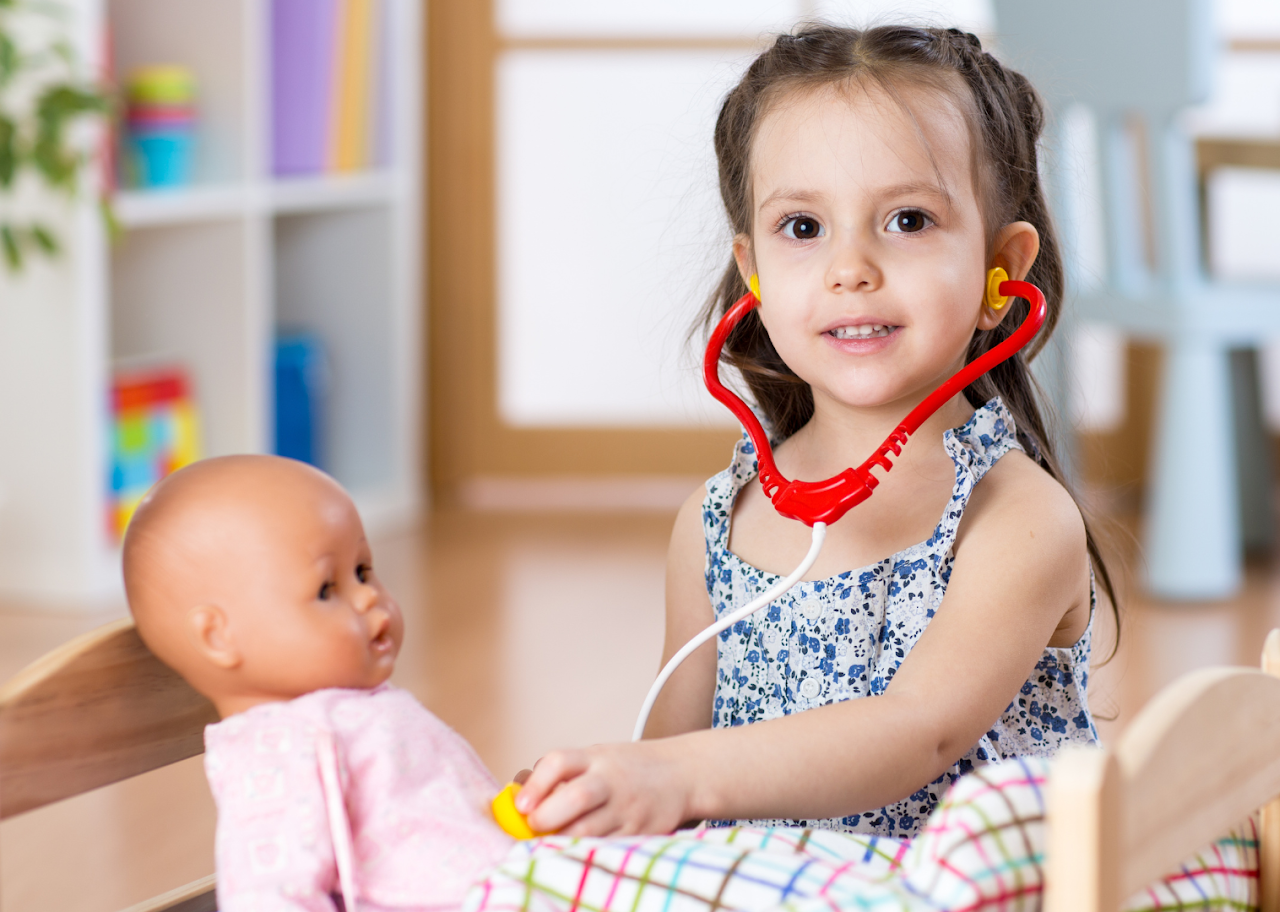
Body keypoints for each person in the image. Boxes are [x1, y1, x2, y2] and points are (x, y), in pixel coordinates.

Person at [513, 23, 1119, 840]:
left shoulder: (1019, 519)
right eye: (803, 228)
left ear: (998, 275)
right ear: (753, 275)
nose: (850, 268)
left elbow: (921, 731)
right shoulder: (711, 525)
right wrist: (597, 797)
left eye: (907, 220)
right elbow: (670, 768)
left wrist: (670, 774)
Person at [122, 455, 514, 912]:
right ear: (219, 637)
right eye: (328, 589)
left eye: (363, 571)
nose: (369, 595)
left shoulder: (363, 708)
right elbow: (269, 893)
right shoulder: (277, 747)